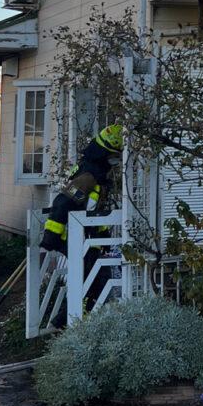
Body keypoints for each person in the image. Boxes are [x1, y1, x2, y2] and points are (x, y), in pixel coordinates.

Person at [39, 124, 122, 323]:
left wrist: (103, 238)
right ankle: (68, 320)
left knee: (94, 277)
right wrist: (52, 236)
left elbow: (94, 210)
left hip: (87, 237)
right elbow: (62, 203)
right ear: (104, 153)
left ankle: (74, 319)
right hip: (74, 236)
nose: (116, 160)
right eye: (114, 155)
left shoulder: (98, 174)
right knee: (87, 276)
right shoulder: (88, 176)